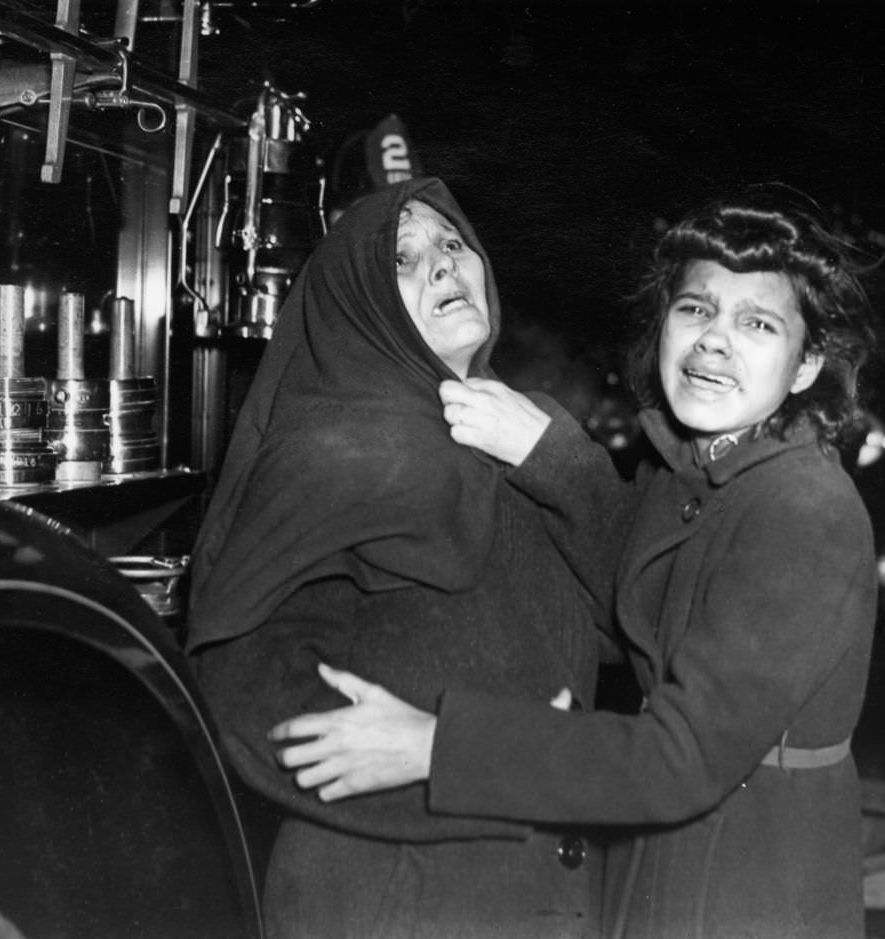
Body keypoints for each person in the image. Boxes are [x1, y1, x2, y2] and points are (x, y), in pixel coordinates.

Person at [268, 186, 880, 939]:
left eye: (757, 322)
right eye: (695, 309)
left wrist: (434, 743)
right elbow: (638, 603)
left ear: (807, 363)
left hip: (749, 877)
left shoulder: (802, 508)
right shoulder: (694, 470)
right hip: (666, 860)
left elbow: (680, 757)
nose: (714, 341)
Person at [185, 177, 606, 939]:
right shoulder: (334, 452)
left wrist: (559, 459)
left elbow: (636, 616)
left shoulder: (527, 429)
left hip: (540, 888)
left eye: (452, 243)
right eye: (403, 260)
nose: (443, 264)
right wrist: (456, 765)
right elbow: (240, 689)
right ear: (361, 308)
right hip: (391, 896)